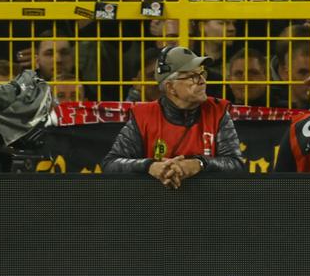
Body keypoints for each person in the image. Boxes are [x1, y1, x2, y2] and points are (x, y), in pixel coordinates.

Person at [101, 45, 243, 185]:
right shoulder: (143, 116)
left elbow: (236, 164)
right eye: (193, 76)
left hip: (208, 204)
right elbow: (110, 164)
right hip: (154, 203)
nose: (202, 81)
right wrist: (150, 166)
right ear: (170, 87)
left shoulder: (217, 111)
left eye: (202, 73)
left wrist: (198, 164)